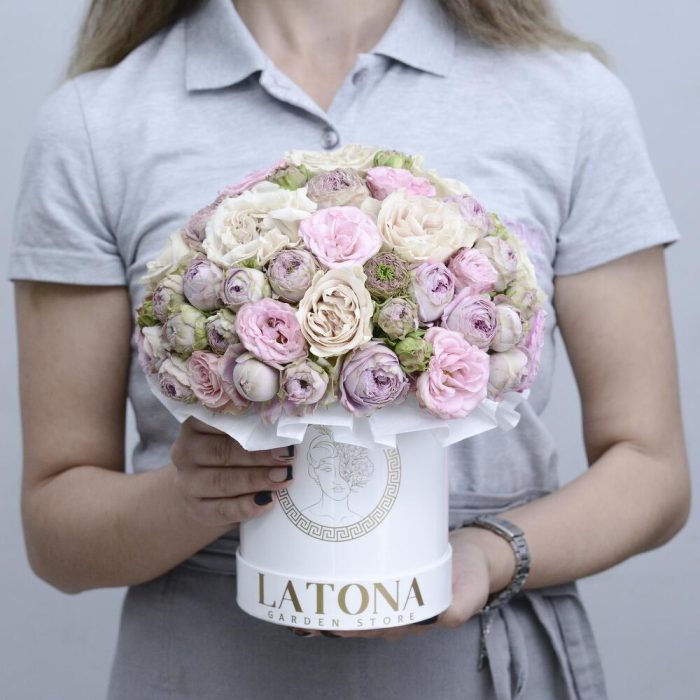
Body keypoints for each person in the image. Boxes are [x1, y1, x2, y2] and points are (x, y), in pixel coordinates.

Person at [7, 0, 690, 698]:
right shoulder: (97, 124)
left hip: (475, 669)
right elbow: (58, 531)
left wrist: (488, 556)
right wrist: (188, 499)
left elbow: (652, 468)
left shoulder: (568, 99)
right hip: (211, 668)